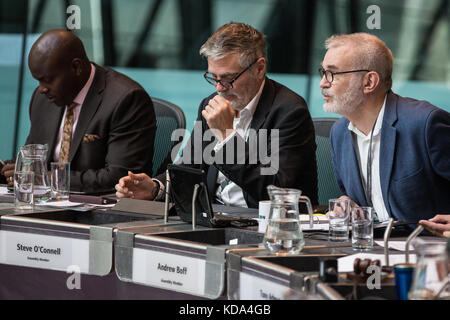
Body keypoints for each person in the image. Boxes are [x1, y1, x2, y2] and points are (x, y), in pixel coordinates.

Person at [115, 22, 318, 208]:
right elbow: (189, 169)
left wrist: (227, 136)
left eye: (229, 78)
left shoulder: (288, 111)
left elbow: (276, 191)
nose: (220, 88)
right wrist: (155, 189)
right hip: (215, 216)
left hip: (263, 223)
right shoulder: (211, 104)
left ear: (259, 68)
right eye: (214, 77)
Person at [0, 30, 156, 192]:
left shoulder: (125, 99)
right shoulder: (43, 99)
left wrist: (48, 178)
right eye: (38, 80)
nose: (41, 89)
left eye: (47, 80)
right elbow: (34, 165)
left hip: (98, 210)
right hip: (45, 204)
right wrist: (9, 171)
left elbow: (120, 177)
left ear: (76, 67)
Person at [320, 33, 450, 223]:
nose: (323, 82)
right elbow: (361, 200)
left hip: (427, 248)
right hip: (369, 248)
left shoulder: (425, 124)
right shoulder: (339, 133)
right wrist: (347, 203)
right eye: (323, 73)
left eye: (333, 73)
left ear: (369, 82)